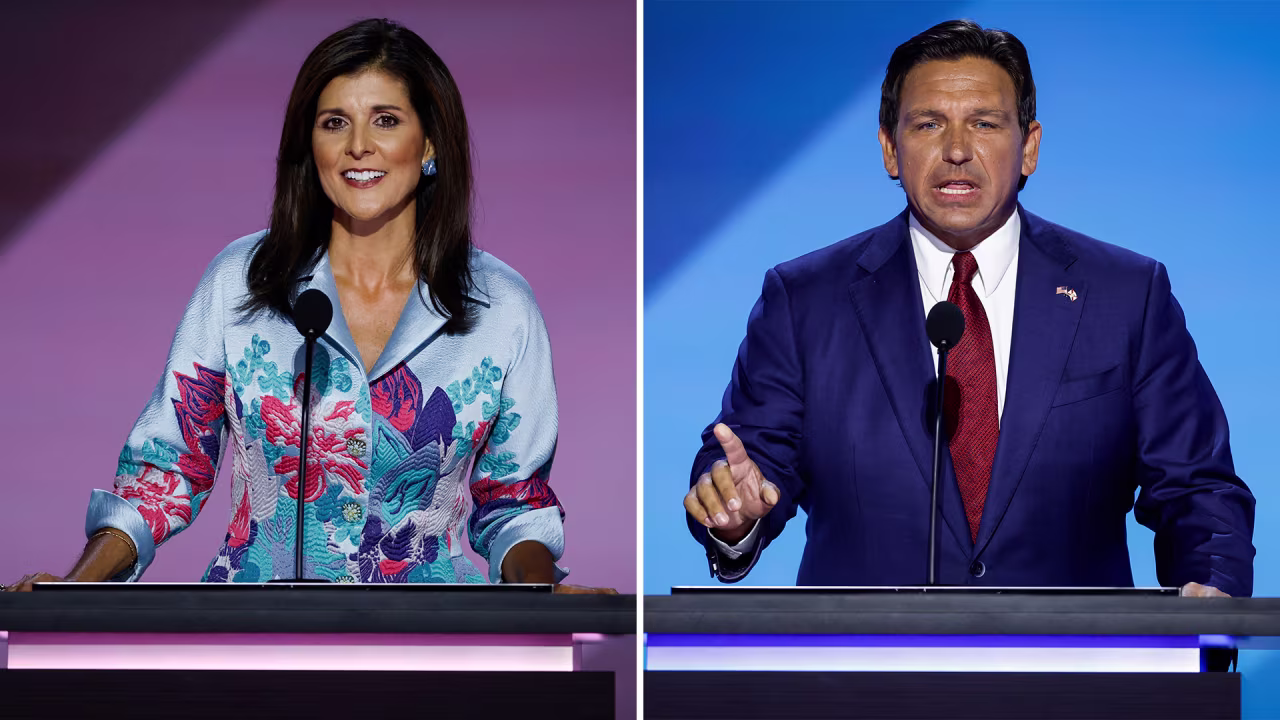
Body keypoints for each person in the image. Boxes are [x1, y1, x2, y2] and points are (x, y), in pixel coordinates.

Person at [4, 18, 603, 592]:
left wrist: (541, 591)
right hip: (253, 639)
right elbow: (168, 473)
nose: (358, 147)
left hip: (430, 642)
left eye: (386, 120)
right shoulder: (243, 281)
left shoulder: (499, 305)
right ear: (309, 144)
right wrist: (77, 587)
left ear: (430, 144)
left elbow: (513, 505)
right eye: (334, 123)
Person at [682, 19, 1255, 597]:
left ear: (1029, 146)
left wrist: (1210, 594)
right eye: (929, 124)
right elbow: (748, 463)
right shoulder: (805, 299)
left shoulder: (1127, 294)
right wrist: (736, 511)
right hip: (865, 672)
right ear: (890, 148)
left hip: (1074, 673)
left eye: (984, 123)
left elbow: (1195, 487)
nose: (957, 151)